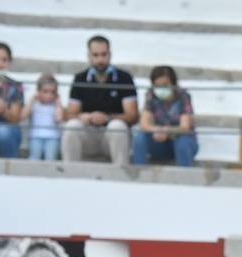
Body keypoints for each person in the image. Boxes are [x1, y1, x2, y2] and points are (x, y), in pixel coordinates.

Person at [63, 35, 137, 165]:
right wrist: (84, 117)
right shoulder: (80, 78)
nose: (100, 59)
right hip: (88, 134)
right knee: (72, 126)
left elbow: (133, 116)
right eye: (95, 55)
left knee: (117, 127)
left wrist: (107, 118)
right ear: (89, 56)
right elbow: (70, 114)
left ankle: (122, 176)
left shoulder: (124, 78)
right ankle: (69, 174)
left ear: (110, 54)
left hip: (112, 136)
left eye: (104, 54)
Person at [131, 65, 196, 167]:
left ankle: (184, 178)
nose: (161, 88)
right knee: (140, 137)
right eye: (157, 85)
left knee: (183, 141)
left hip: (180, 142)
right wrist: (157, 130)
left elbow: (185, 127)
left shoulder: (183, 96)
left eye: (165, 85)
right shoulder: (151, 95)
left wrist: (167, 131)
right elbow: (144, 124)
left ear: (173, 83)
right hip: (159, 142)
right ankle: (137, 174)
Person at [24, 73, 62, 160]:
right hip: (35, 136)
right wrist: (31, 100)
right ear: (38, 91)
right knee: (34, 158)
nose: (49, 95)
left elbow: (59, 118)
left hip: (52, 138)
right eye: (45, 91)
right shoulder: (34, 104)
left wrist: (58, 103)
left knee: (50, 159)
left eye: (52, 92)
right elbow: (23, 115)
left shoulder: (55, 105)